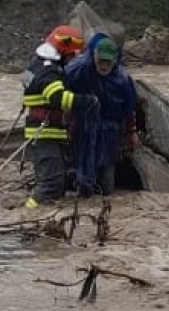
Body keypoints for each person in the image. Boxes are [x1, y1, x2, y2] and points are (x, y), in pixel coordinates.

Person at [21, 25, 97, 209]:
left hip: (49, 131)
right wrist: (87, 101)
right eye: (71, 55)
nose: (72, 59)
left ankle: (46, 215)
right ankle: (30, 214)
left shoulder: (39, 64)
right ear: (62, 51)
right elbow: (58, 98)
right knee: (51, 184)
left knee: (60, 181)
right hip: (44, 132)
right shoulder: (47, 71)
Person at [64, 33, 140, 197]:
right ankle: (81, 186)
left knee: (106, 181)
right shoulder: (79, 71)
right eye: (101, 60)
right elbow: (65, 96)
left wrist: (131, 132)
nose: (104, 65)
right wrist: (68, 123)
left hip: (110, 131)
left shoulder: (123, 80)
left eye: (108, 61)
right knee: (82, 171)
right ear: (94, 56)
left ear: (115, 60)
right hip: (83, 128)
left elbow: (129, 109)